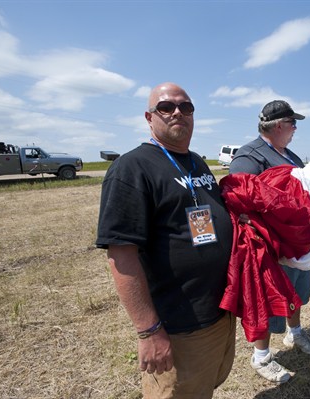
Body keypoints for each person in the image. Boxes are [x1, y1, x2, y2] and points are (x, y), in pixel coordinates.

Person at [96, 82, 236, 398]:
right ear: (149, 117)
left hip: (217, 313)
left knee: (204, 388)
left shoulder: (196, 162)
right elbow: (121, 254)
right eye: (166, 107)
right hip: (177, 325)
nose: (177, 112)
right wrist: (149, 331)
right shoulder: (132, 168)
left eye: (186, 107)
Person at [229, 100, 310, 384]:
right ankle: (262, 355)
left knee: (295, 293)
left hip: (296, 244)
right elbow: (239, 197)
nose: (295, 129)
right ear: (279, 125)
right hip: (271, 248)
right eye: (293, 124)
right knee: (269, 299)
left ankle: (295, 333)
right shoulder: (249, 155)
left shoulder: (291, 155)